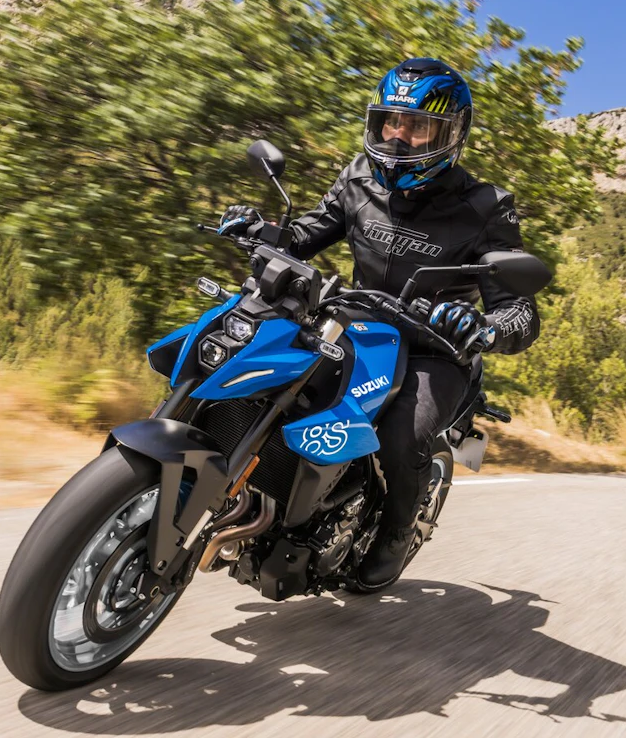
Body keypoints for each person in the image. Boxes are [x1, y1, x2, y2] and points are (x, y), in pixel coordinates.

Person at [219, 57, 542, 591]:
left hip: (434, 351)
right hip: (354, 328)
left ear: (452, 133)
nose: (399, 137)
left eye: (418, 126)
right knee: (267, 376)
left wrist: (483, 327)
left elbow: (519, 311)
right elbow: (307, 234)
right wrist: (261, 229)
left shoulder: (486, 206)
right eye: (391, 121)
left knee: (401, 436)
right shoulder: (358, 176)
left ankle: (395, 534)